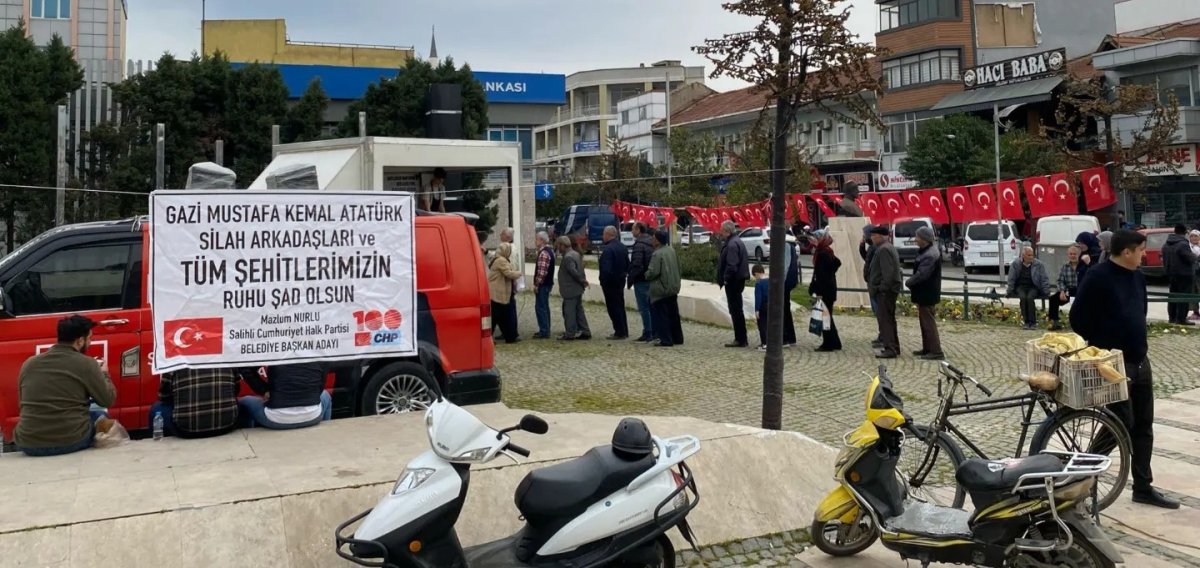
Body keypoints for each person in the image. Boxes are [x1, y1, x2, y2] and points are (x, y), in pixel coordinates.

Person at [1071, 230, 1178, 510]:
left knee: (1143, 425)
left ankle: (1143, 487)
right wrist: (1103, 342)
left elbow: (1140, 310)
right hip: (1112, 363)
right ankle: (1080, 476)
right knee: (1119, 424)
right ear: (1127, 251)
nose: (1144, 254)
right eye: (1141, 250)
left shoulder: (1137, 277)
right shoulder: (1098, 276)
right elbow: (1078, 318)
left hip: (1140, 360)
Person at [14, 315, 116, 456]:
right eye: (90, 339)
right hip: (71, 441)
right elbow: (108, 400)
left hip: (28, 443)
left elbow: (22, 403)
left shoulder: (29, 363)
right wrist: (104, 374)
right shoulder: (87, 363)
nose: (90, 343)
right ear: (80, 341)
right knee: (100, 414)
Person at [151, 367, 242, 438]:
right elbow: (236, 390)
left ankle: (159, 442)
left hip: (185, 430)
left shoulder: (174, 360)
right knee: (242, 402)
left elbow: (164, 396)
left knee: (156, 409)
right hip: (227, 426)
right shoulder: (226, 357)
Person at [237, 363, 332, 429]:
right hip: (313, 416)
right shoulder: (317, 352)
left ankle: (247, 438)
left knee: (244, 402)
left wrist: (264, 390)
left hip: (275, 419)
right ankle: (324, 431)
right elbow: (320, 387)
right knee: (326, 395)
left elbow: (245, 369)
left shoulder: (276, 347)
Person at [905, 226, 944, 360]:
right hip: (924, 292)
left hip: (927, 292)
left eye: (918, 237)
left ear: (924, 239)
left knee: (928, 323)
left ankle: (935, 350)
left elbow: (922, 274)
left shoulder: (930, 255)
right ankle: (928, 347)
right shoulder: (927, 251)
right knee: (924, 322)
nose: (915, 239)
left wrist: (909, 282)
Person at [867, 225, 902, 359]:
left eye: (873, 236)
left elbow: (888, 273)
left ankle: (890, 348)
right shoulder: (887, 247)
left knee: (885, 321)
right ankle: (894, 346)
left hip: (885, 292)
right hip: (887, 290)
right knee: (889, 319)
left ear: (879, 236)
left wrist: (881, 288)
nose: (871, 238)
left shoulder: (884, 250)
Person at [646, 229, 683, 347]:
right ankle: (677, 338)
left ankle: (666, 340)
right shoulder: (671, 250)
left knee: (661, 315)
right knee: (673, 315)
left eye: (653, 238)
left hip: (661, 288)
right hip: (673, 286)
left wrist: (646, 274)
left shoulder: (657, 254)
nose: (651, 240)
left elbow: (653, 272)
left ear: (657, 241)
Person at [716, 220, 750, 348]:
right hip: (737, 280)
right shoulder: (737, 241)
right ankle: (741, 338)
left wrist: (725, 279)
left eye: (722, 230)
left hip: (734, 281)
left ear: (727, 231)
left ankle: (740, 339)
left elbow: (732, 265)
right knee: (737, 309)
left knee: (735, 310)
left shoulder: (732, 245)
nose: (720, 233)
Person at [808, 231, 843, 352]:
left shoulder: (823, 253)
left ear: (820, 239)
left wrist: (818, 292)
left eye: (814, 239)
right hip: (829, 289)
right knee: (828, 316)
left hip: (825, 291)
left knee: (825, 317)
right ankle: (835, 342)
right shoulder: (827, 251)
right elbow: (837, 263)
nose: (812, 241)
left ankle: (828, 343)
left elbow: (821, 275)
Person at [1007, 246, 1051, 330]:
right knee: (1023, 297)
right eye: (1029, 255)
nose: (1031, 257)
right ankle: (1026, 322)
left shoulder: (1039, 264)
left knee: (1030, 298)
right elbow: (1011, 278)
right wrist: (1009, 291)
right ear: (1023, 256)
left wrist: (1046, 291)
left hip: (1033, 286)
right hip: (1020, 286)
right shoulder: (1016, 264)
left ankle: (1033, 322)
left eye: (1032, 255)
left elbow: (1044, 278)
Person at [557, 236, 591, 340]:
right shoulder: (575, 254)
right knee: (579, 311)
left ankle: (570, 333)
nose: (558, 248)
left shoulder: (568, 257)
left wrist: (582, 280)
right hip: (577, 288)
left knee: (569, 312)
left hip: (570, 289)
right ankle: (585, 331)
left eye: (559, 245)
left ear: (562, 245)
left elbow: (573, 272)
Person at [488, 242, 523, 343]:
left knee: (501, 317)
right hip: (497, 293)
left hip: (497, 292)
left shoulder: (498, 258)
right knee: (496, 317)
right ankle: (505, 337)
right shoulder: (501, 260)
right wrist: (519, 273)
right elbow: (508, 273)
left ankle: (509, 337)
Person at [626, 222, 656, 342]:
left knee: (644, 308)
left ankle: (648, 332)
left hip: (641, 280)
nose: (631, 231)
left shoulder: (639, 244)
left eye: (633, 229)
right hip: (651, 279)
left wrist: (631, 278)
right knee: (651, 307)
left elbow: (637, 264)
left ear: (638, 230)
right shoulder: (651, 242)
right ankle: (653, 330)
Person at [599, 226, 630, 340]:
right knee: (620, 305)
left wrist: (603, 281)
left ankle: (619, 331)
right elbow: (628, 263)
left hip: (610, 283)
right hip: (620, 280)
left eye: (604, 234)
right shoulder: (622, 247)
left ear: (608, 235)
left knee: (613, 307)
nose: (603, 236)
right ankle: (624, 329)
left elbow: (606, 269)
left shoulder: (608, 249)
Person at [1163, 224, 1197, 326]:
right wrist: (1195, 256)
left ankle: (1172, 317)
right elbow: (1190, 258)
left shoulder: (1166, 244)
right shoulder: (1183, 244)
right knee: (1184, 297)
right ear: (1185, 232)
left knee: (1173, 296)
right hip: (1184, 275)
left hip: (1171, 274)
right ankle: (1181, 318)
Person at [859, 223, 884, 349]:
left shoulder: (875, 248)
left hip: (874, 283)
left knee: (879, 311)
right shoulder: (872, 247)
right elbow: (866, 258)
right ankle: (882, 335)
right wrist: (861, 246)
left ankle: (883, 336)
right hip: (871, 282)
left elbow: (869, 261)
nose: (863, 236)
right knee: (877, 311)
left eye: (865, 234)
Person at [1048, 245, 1081, 331]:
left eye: (1074, 254)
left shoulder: (1082, 266)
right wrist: (1062, 291)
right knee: (1053, 299)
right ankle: (1054, 322)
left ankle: (1079, 323)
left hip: (1080, 291)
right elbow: (1060, 280)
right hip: (1068, 291)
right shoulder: (1065, 266)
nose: (1073, 256)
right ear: (1068, 255)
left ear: (1078, 254)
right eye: (1071, 254)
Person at [532, 232, 556, 339]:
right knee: (545, 307)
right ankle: (546, 328)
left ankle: (544, 330)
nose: (535, 241)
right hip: (547, 284)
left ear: (541, 240)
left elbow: (542, 272)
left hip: (543, 285)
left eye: (536, 239)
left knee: (541, 307)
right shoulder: (549, 251)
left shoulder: (543, 253)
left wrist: (536, 284)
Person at [781, 238, 800, 347]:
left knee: (783, 309)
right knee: (785, 309)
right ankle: (790, 337)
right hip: (787, 281)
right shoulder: (788, 246)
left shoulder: (785, 246)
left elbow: (785, 265)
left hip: (785, 282)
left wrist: (780, 282)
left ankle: (786, 337)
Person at [752, 264, 770, 350]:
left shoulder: (759, 284)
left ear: (756, 274)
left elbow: (758, 298)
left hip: (763, 307)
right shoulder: (769, 280)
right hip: (770, 306)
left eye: (754, 276)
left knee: (762, 326)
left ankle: (764, 343)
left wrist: (757, 310)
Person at [1189, 230, 1200, 321]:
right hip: (1192, 273)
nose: (1194, 238)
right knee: (1193, 292)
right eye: (1192, 236)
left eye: (1196, 236)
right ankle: (1195, 312)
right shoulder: (1188, 247)